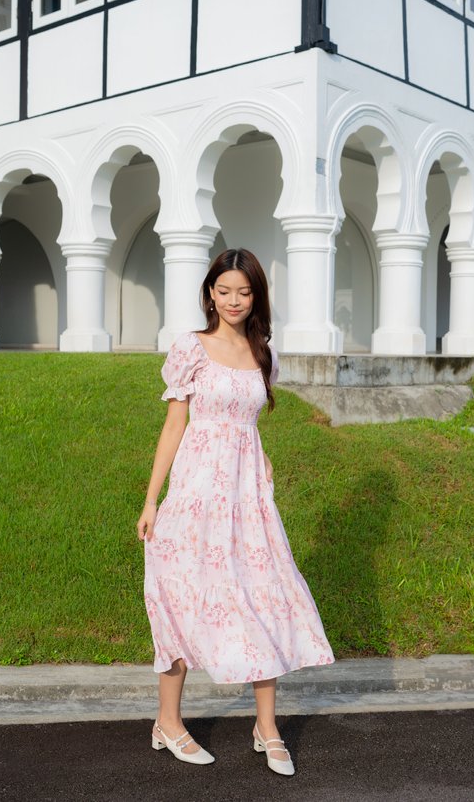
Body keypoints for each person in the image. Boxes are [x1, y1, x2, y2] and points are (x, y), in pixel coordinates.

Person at [137, 249, 334, 776]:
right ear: (209, 294)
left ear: (256, 298)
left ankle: (265, 726)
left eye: (243, 293)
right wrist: (152, 499)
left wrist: (260, 458)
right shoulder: (191, 350)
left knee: (262, 597)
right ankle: (168, 722)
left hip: (247, 501)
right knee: (179, 596)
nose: (232, 301)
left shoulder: (263, 353)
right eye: (223, 291)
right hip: (195, 495)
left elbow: (246, 423)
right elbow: (175, 426)